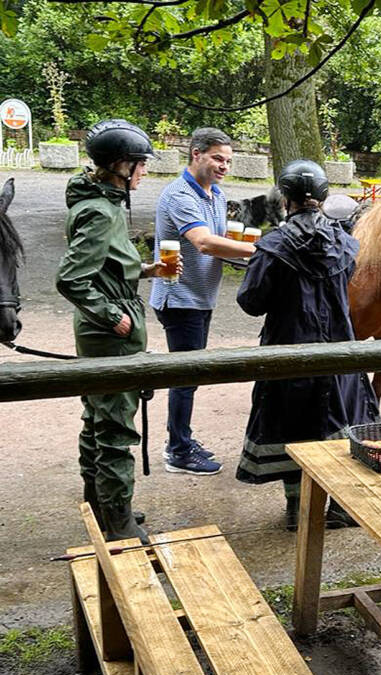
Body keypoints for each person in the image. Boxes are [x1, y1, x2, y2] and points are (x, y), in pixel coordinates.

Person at [234, 160, 380, 530]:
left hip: (289, 354)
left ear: (285, 198)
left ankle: (298, 511)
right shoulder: (346, 244)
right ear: (324, 196)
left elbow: (251, 302)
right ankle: (341, 507)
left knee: (292, 427)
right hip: (339, 355)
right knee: (341, 424)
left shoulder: (272, 246)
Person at [56, 120, 181, 543]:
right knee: (114, 427)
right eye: (140, 164)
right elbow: (71, 279)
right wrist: (111, 316)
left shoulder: (102, 202)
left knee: (97, 417)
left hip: (102, 329)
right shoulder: (100, 211)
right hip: (108, 333)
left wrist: (146, 270)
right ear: (119, 166)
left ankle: (101, 501)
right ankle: (118, 521)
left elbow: (105, 267)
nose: (144, 171)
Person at [149, 127, 255, 475]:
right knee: (186, 376)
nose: (224, 166)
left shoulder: (216, 195)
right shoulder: (179, 195)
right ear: (196, 154)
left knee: (190, 374)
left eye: (228, 161)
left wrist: (245, 256)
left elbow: (221, 242)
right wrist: (262, 249)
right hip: (180, 298)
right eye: (217, 158)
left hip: (201, 297)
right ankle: (178, 451)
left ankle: (181, 439)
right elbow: (205, 242)